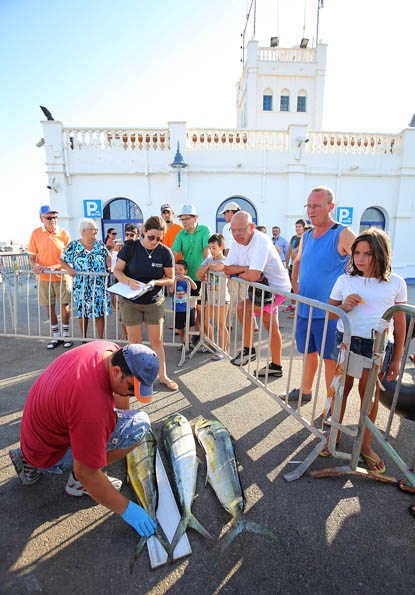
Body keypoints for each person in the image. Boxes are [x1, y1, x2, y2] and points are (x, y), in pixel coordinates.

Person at [9, 342, 159, 538]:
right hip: (49, 449)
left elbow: (118, 396)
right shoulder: (92, 409)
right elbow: (86, 472)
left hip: (35, 433)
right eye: (132, 389)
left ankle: (29, 458)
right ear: (116, 372)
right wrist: (126, 508)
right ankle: (74, 483)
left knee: (115, 420)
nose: (132, 395)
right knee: (139, 425)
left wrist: (116, 419)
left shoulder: (108, 350)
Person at [326, 227, 406, 472]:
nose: (359, 258)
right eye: (356, 252)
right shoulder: (345, 280)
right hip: (347, 342)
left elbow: (400, 323)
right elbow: (330, 313)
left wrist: (397, 359)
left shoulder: (396, 283)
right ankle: (334, 436)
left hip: (377, 348)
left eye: (367, 253)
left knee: (368, 396)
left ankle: (365, 444)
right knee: (342, 388)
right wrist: (344, 306)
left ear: (381, 254)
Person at [289, 186, 356, 401]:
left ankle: (331, 406)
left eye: (316, 205)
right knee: (308, 353)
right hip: (304, 309)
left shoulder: (342, 233)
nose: (311, 210)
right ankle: (305, 391)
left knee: (330, 360)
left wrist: (350, 294)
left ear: (331, 207)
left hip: (329, 313)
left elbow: (365, 260)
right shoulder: (307, 235)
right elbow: (298, 260)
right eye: (309, 205)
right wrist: (295, 284)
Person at [114, 215, 178, 391]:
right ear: (143, 231)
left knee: (156, 341)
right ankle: (135, 377)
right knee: (135, 342)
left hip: (154, 302)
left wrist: (155, 282)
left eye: (159, 239)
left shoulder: (164, 252)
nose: (154, 242)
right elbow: (117, 271)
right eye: (151, 237)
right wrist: (128, 282)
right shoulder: (130, 248)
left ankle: (163, 375)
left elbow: (170, 278)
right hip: (130, 301)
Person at [224, 211, 291, 376]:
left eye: (241, 229)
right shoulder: (235, 242)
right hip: (261, 288)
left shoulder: (261, 240)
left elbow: (253, 276)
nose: (237, 234)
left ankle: (249, 349)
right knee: (270, 324)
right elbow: (227, 269)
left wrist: (239, 273)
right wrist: (245, 270)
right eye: (233, 230)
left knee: (243, 308)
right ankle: (276, 366)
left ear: (251, 227)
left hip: (276, 288)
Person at [28, 205, 72, 349]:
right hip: (44, 279)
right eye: (49, 217)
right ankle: (56, 337)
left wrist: (54, 267)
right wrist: (34, 266)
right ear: (42, 219)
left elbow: (69, 257)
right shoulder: (35, 234)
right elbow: (32, 257)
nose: (52, 220)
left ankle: (66, 336)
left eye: (54, 217)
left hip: (61, 277)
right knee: (49, 308)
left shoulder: (64, 233)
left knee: (65, 307)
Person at [60, 219, 111, 340]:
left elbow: (108, 256)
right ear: (84, 231)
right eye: (94, 229)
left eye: (96, 229)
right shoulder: (74, 245)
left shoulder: (100, 245)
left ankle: (100, 338)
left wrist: (108, 265)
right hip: (81, 285)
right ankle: (84, 338)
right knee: (83, 313)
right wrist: (69, 269)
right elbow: (62, 260)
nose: (96, 232)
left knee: (99, 312)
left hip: (99, 285)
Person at [172, 205, 211, 343]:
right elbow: (174, 253)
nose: (183, 222)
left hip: (201, 277)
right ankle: (192, 338)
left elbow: (207, 250)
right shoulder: (181, 234)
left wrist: (205, 269)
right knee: (189, 310)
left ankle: (202, 337)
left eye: (186, 219)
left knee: (201, 309)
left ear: (194, 218)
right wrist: (169, 268)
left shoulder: (205, 230)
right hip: (186, 280)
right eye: (181, 219)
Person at [196, 234, 230, 360]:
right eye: (210, 247)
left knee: (221, 324)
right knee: (205, 321)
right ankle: (211, 344)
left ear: (221, 247)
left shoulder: (226, 259)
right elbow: (198, 273)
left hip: (222, 297)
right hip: (210, 297)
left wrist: (208, 267)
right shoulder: (209, 259)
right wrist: (207, 268)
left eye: (214, 247)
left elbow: (218, 267)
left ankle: (223, 350)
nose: (211, 250)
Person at [169, 259, 197, 345]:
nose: (178, 272)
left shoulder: (187, 280)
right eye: (176, 269)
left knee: (189, 326)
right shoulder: (173, 280)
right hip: (178, 309)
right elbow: (171, 290)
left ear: (185, 271)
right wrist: (175, 282)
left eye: (180, 269)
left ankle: (188, 341)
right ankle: (182, 340)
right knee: (180, 327)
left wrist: (189, 278)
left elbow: (195, 287)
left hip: (188, 308)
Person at [283, 219, 307, 316]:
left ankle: (300, 308)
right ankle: (293, 305)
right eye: (296, 226)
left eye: (299, 226)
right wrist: (287, 263)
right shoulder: (293, 238)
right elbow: (289, 251)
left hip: (301, 266)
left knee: (300, 287)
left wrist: (296, 255)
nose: (297, 228)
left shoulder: (306, 237)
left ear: (303, 227)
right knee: (293, 286)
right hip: (293, 265)